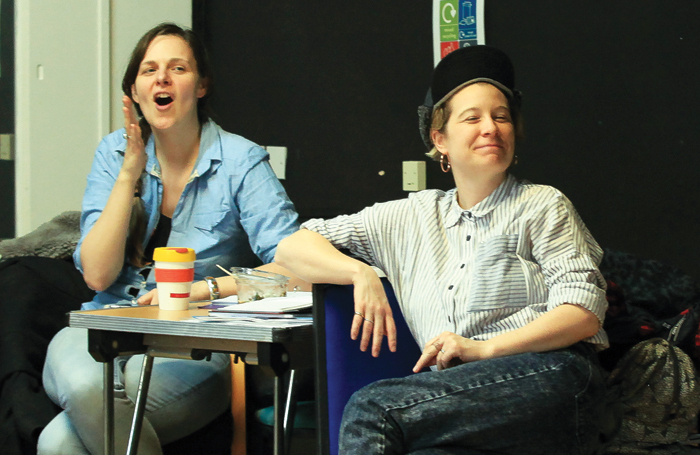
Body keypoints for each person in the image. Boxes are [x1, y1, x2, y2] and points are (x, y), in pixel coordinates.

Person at [275, 45, 609, 454]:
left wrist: (483, 348)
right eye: (473, 117)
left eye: (500, 116)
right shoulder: (411, 216)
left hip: (555, 377)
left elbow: (583, 315)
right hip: (460, 393)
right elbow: (293, 246)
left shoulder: (542, 204)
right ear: (440, 139)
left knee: (372, 409)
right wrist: (358, 273)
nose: (491, 127)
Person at [38, 23, 304, 455]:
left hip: (195, 343)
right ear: (136, 93)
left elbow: (296, 267)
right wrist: (129, 171)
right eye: (149, 70)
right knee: (87, 388)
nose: (162, 78)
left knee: (58, 443)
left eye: (177, 68)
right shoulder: (113, 153)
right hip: (103, 321)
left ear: (200, 86)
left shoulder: (241, 161)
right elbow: (98, 275)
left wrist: (206, 290)